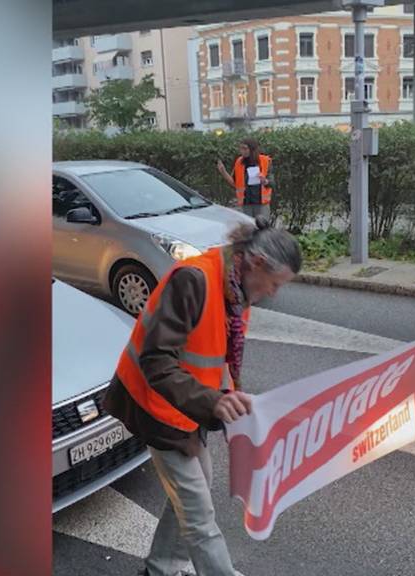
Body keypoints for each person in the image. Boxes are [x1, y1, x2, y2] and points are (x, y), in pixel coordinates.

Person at [102, 216, 302, 576]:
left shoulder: (236, 287)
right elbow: (156, 360)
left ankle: (160, 568)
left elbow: (213, 355)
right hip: (155, 407)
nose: (274, 292)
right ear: (256, 262)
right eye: (275, 283)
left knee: (197, 494)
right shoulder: (194, 280)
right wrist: (213, 402)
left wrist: (227, 396)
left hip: (184, 409)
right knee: (199, 517)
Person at [216, 138, 273, 220]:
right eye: (241, 148)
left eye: (245, 148)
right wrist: (223, 172)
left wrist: (265, 181)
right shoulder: (239, 162)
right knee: (248, 229)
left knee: (263, 230)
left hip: (261, 204)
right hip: (246, 204)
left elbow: (272, 183)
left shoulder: (265, 161)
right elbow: (234, 183)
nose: (242, 151)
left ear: (252, 149)